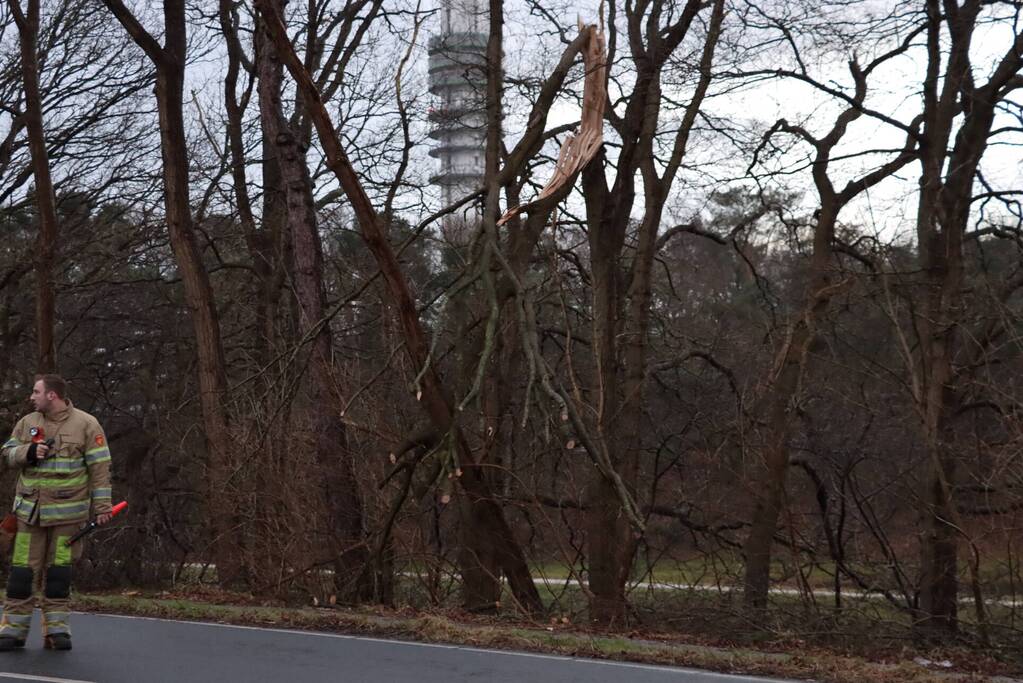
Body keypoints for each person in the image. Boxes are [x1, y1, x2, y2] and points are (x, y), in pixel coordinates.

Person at [0, 374, 112, 651]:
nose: (31, 396)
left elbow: (100, 468)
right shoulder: (28, 423)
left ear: (52, 395)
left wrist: (102, 507)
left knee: (59, 574)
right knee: (22, 574)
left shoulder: (86, 424)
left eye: (36, 392)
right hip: (30, 515)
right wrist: (27, 452)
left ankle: (57, 631)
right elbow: (7, 452)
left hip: (67, 519)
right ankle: (13, 631)